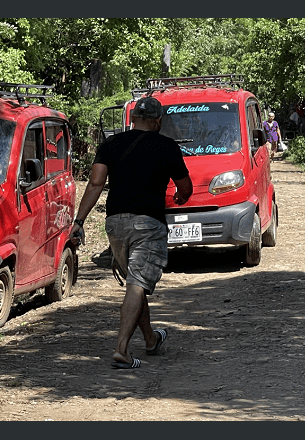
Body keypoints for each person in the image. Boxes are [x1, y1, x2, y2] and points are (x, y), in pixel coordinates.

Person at [70, 96, 193, 369]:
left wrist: (79, 221)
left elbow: (95, 183)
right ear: (157, 121)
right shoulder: (167, 146)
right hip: (148, 223)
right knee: (137, 285)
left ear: (133, 118)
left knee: (134, 285)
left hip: (115, 224)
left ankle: (150, 339)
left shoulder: (110, 144)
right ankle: (122, 350)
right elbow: (185, 188)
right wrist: (180, 198)